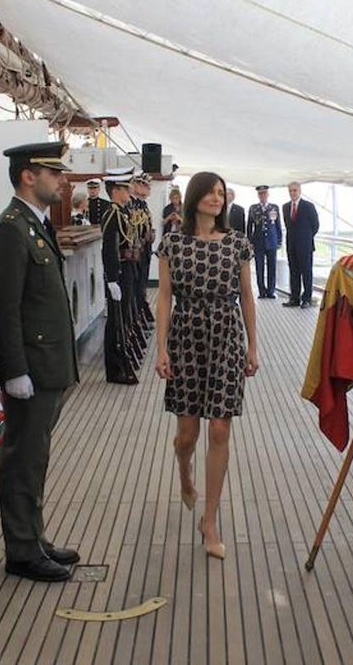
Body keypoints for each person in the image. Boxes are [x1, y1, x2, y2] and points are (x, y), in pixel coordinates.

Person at [0, 141, 81, 583]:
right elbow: (4, 307)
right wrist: (15, 370)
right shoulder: (11, 229)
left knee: (35, 456)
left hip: (47, 364)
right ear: (28, 176)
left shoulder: (34, 224)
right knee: (23, 458)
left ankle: (34, 538)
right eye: (53, 172)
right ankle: (22, 551)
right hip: (32, 368)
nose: (61, 180)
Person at [155, 171, 258, 560]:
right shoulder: (172, 244)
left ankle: (210, 520)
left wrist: (253, 346)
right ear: (195, 196)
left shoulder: (237, 243)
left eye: (221, 193)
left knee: (219, 429)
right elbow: (164, 297)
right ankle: (185, 472)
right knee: (187, 435)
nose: (217, 198)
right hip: (186, 337)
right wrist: (161, 349)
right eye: (211, 192)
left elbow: (246, 295)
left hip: (226, 336)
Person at [102, 168, 143, 384]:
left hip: (127, 268)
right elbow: (109, 248)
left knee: (123, 317)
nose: (129, 192)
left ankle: (120, 362)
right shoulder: (112, 214)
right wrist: (111, 279)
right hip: (118, 271)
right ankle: (114, 368)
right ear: (116, 191)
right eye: (126, 189)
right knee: (115, 321)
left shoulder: (123, 213)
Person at [282, 181, 319, 308]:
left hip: (305, 245)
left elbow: (315, 225)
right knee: (294, 272)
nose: (292, 193)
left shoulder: (308, 206)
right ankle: (294, 298)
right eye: (290, 191)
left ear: (299, 191)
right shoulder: (285, 207)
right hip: (291, 245)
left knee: (306, 272)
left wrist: (306, 238)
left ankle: (307, 299)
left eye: (295, 190)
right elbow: (288, 225)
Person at [129, 173, 156, 327]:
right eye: (145, 185)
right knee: (137, 287)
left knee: (142, 285)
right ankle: (136, 318)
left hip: (145, 250)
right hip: (137, 252)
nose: (148, 188)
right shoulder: (132, 205)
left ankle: (141, 314)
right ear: (136, 185)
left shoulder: (142, 205)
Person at [246, 185, 282, 298]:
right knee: (259, 267)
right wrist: (250, 241)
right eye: (260, 194)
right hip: (258, 242)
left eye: (264, 193)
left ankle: (271, 291)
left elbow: (278, 225)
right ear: (258, 196)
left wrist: (279, 240)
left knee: (272, 267)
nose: (263, 196)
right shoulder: (253, 208)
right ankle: (261, 291)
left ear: (268, 194)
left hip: (271, 241)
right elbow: (249, 226)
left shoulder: (274, 207)